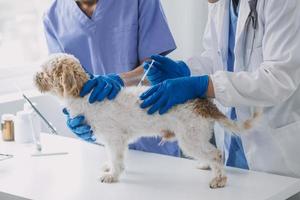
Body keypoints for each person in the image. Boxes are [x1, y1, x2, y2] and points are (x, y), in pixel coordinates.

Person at [140, 0, 300, 179]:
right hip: (232, 151)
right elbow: (215, 56)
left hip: (275, 158)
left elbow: (278, 79)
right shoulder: (221, 4)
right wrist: (186, 70)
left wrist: (203, 85)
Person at [43, 0, 181, 156]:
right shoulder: (53, 16)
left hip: (150, 133)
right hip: (99, 142)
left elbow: (157, 68)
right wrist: (72, 112)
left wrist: (120, 80)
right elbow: (61, 83)